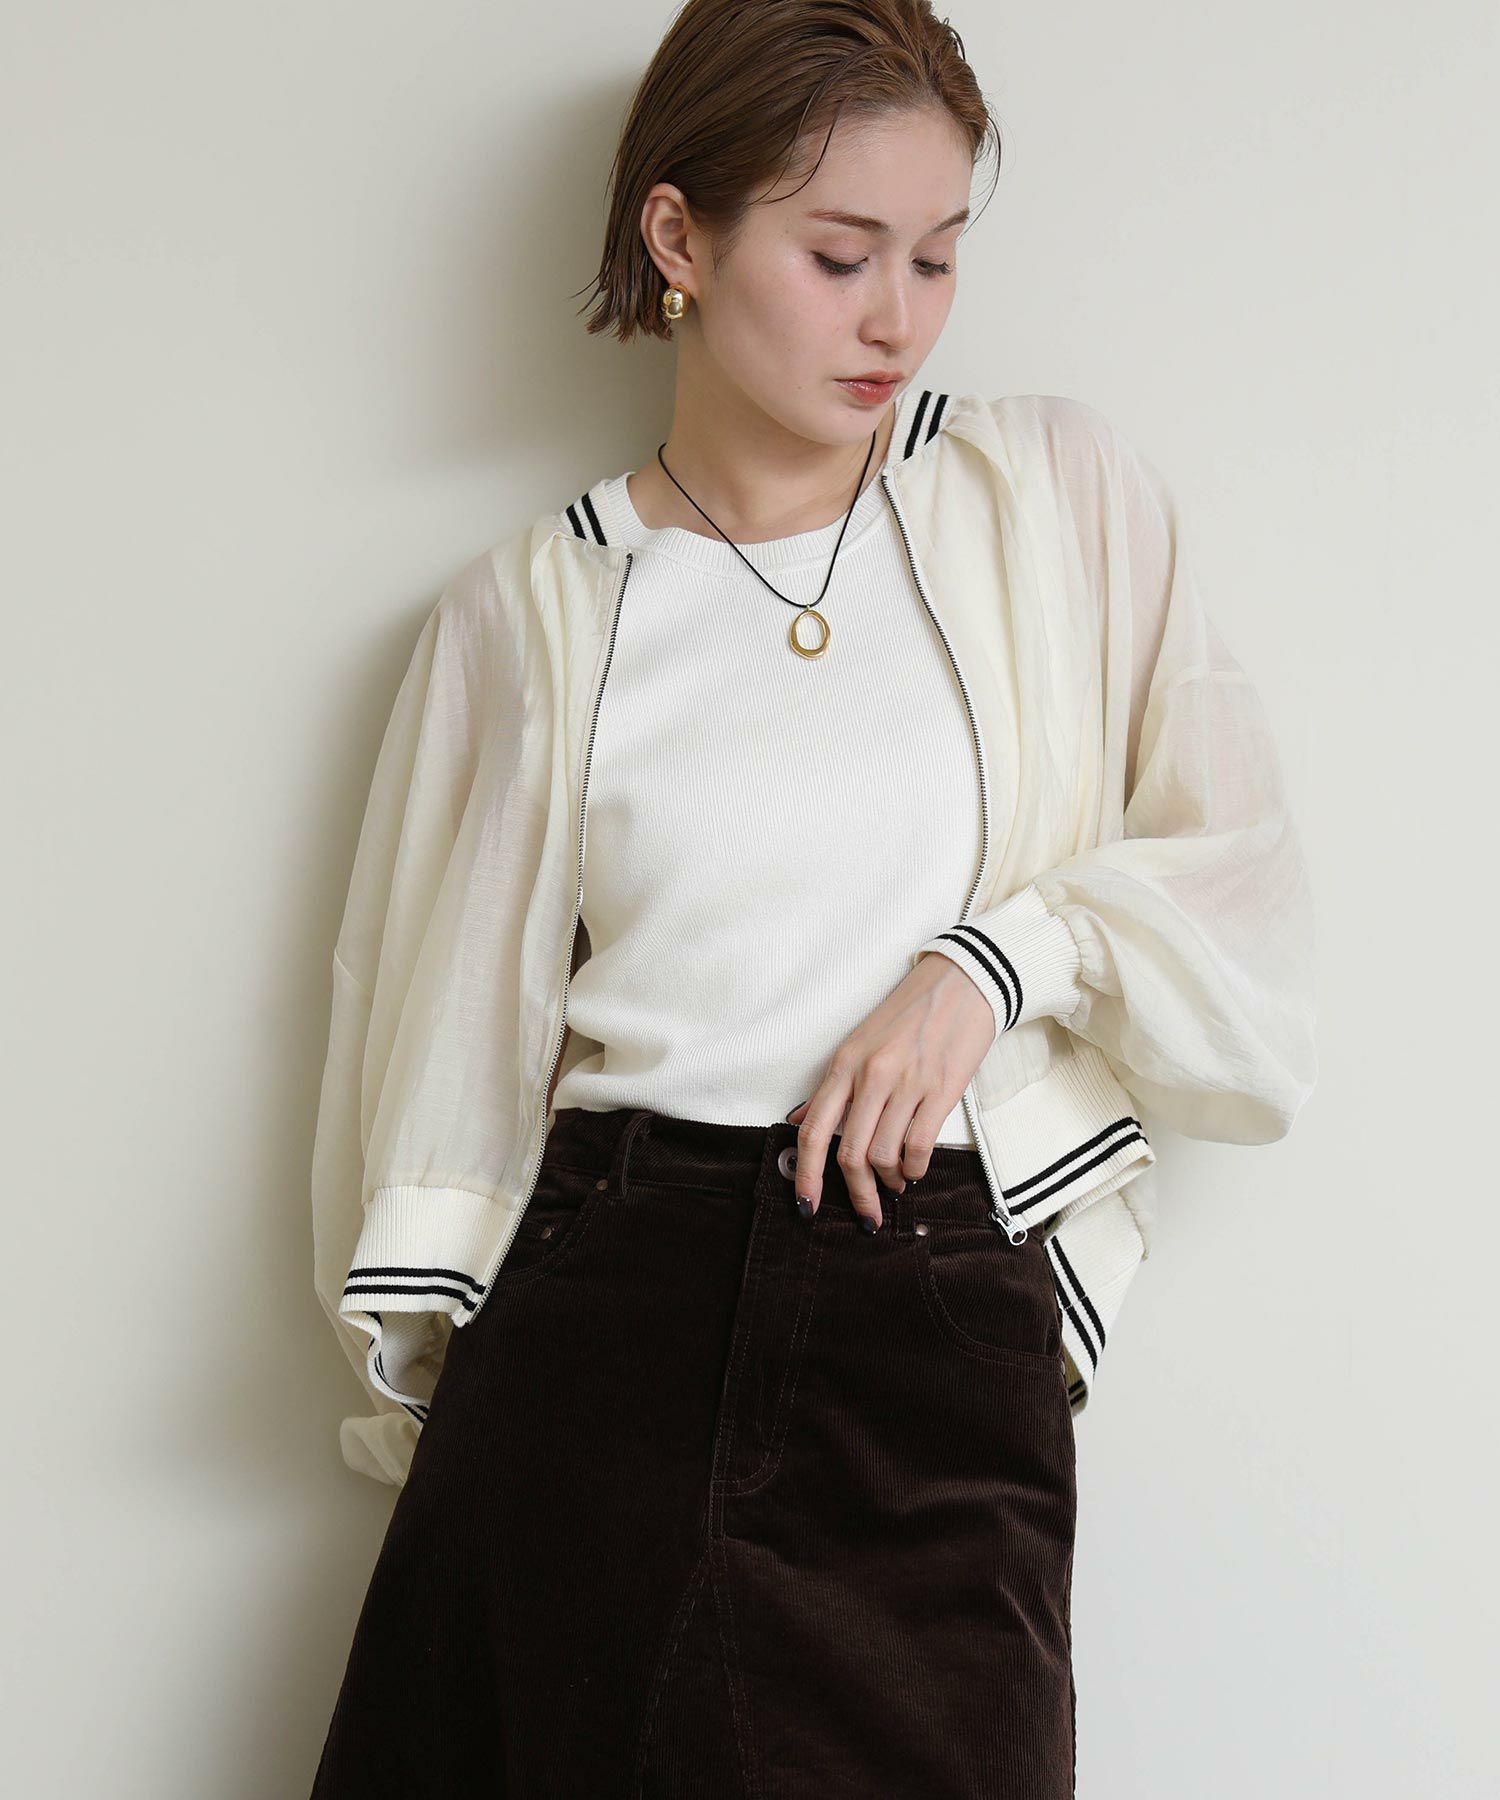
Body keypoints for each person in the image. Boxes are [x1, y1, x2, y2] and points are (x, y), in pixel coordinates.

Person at [308, 2, 1318, 1794]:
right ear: (678, 239)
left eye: (937, 255)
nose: (898, 317)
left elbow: (1240, 872)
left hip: (932, 1316)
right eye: (841, 255)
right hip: (603, 1323)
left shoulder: (1049, 499)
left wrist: (995, 964)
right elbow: (433, 1040)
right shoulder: (529, 613)